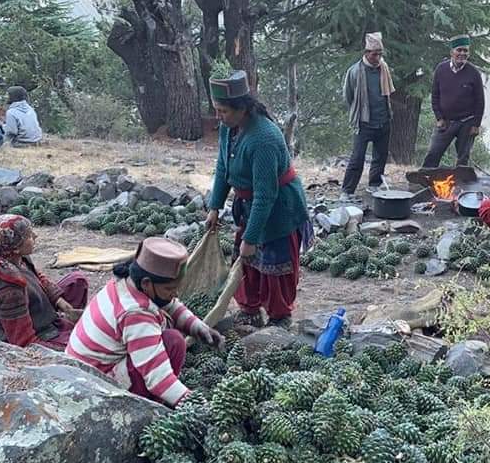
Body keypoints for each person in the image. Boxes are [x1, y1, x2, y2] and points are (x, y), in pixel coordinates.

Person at [206, 70, 312, 328]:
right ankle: (250, 310)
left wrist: (251, 239)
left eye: (223, 111)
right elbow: (223, 167)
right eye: (216, 110)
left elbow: (266, 195)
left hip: (278, 209)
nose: (219, 117)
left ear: (242, 108)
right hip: (249, 204)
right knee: (247, 264)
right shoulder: (228, 128)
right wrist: (215, 207)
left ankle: (279, 317)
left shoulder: (263, 138)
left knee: (274, 264)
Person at [65, 237, 225, 407]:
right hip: (94, 385)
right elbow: (159, 380)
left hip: (83, 369)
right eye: (170, 289)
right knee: (173, 341)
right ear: (147, 283)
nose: (175, 294)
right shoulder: (135, 313)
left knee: (171, 337)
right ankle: (151, 406)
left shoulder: (129, 281)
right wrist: (198, 406)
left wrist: (198, 328)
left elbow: (170, 304)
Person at [0, 214, 88, 351]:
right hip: (29, 334)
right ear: (14, 248)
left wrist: (62, 304)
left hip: (34, 311)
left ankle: (62, 323)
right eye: (28, 235)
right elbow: (24, 342)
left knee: (77, 281)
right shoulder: (9, 290)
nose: (35, 236)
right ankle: (62, 332)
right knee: (85, 346)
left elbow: (38, 277)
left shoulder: (16, 258)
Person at [340, 32, 395, 201]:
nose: (377, 57)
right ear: (366, 53)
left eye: (380, 54)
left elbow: (387, 94)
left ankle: (374, 184)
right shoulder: (355, 71)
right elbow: (348, 96)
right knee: (357, 158)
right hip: (363, 122)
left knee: (380, 156)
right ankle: (347, 190)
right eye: (374, 54)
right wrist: (358, 111)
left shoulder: (384, 69)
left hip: (383, 119)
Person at [421, 34, 485, 168]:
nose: (462, 53)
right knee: (433, 153)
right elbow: (435, 96)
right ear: (452, 52)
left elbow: (480, 101)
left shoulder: (474, 73)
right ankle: (422, 182)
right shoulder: (441, 69)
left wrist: (476, 124)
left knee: (463, 158)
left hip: (467, 122)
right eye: (459, 50)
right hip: (446, 122)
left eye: (465, 50)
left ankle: (460, 186)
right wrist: (439, 118)